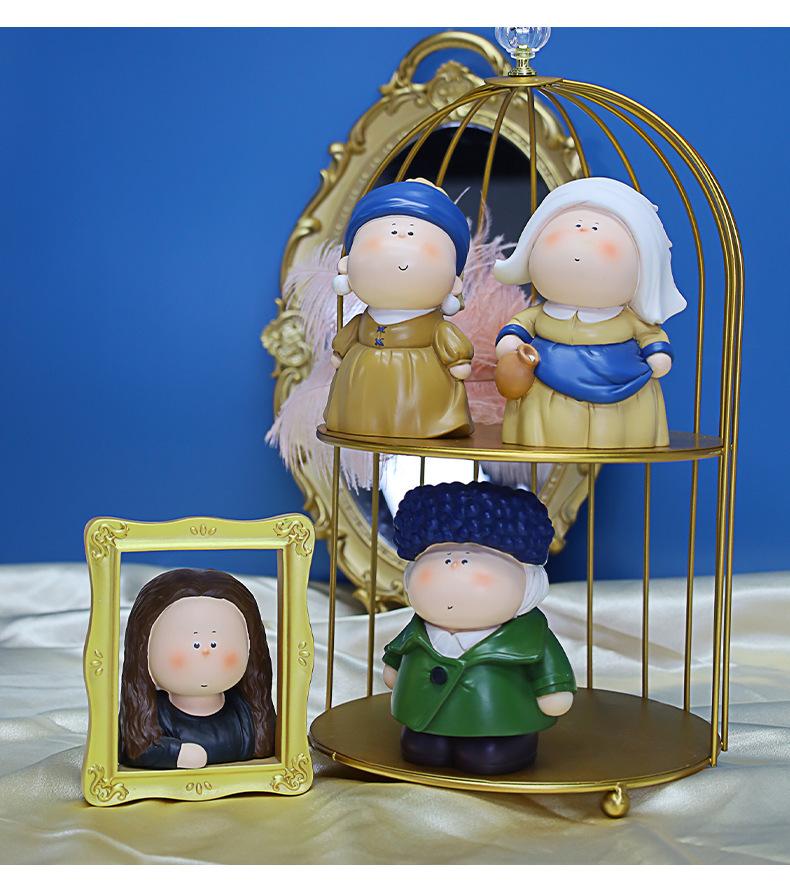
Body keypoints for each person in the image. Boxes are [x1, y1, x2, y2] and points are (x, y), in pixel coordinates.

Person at [383, 481, 576, 775]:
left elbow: (548, 664)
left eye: (469, 560)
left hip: (500, 721)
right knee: (421, 749)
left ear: (527, 581)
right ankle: (430, 740)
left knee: (487, 755)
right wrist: (394, 668)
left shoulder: (529, 635)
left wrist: (553, 689)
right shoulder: (419, 630)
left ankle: (505, 745)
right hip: (423, 718)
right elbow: (400, 651)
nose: (454, 567)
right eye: (443, 558)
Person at [493, 177, 687, 448]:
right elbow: (519, 327)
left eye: (596, 228)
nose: (582, 236)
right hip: (544, 381)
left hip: (619, 384)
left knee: (611, 432)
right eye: (574, 226)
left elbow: (650, 336)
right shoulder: (541, 315)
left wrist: (657, 353)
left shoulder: (628, 320)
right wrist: (511, 339)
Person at [324, 178, 474, 439]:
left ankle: (425, 425)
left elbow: (450, 341)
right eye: (390, 231)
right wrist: (340, 350)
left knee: (413, 414)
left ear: (454, 281)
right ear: (346, 265)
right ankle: (356, 421)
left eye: (415, 235)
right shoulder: (361, 322)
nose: (401, 237)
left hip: (419, 384)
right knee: (363, 414)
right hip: (362, 384)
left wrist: (457, 359)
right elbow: (348, 337)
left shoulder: (435, 328)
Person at [119, 568, 275, 769]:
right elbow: (138, 750)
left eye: (214, 643)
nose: (205, 652)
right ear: (144, 652)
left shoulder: (245, 711)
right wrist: (176, 754)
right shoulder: (153, 715)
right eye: (194, 644)